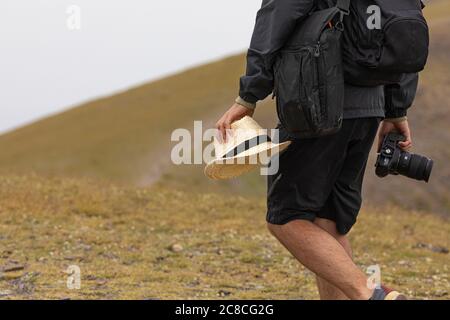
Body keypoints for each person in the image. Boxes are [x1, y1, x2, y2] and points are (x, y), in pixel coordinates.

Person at [216, 0, 418, 300]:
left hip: (317, 101)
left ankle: (373, 295)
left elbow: (276, 19)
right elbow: (404, 33)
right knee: (329, 221)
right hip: (371, 105)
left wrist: (248, 95)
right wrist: (396, 109)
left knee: (287, 218)